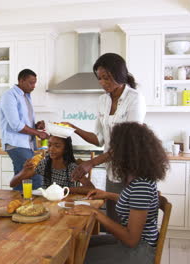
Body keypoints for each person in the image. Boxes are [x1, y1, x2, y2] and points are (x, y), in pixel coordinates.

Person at [66, 122, 169, 264]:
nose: (112, 154)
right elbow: (135, 203)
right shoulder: (138, 177)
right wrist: (107, 195)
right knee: (76, 244)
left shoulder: (141, 185)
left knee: (75, 257)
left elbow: (131, 239)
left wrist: (95, 213)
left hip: (140, 251)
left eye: (116, 149)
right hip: (134, 244)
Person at [66, 53, 146, 221]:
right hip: (112, 169)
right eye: (100, 78)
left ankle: (125, 247)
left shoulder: (135, 99)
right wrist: (73, 129)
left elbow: (126, 144)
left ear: (120, 75)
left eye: (107, 78)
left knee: (129, 218)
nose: (103, 83)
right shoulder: (103, 100)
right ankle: (112, 245)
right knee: (113, 217)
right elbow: (99, 139)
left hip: (132, 169)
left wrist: (91, 163)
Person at [0, 69, 48, 191]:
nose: (34, 86)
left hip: (26, 145)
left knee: (23, 178)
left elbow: (23, 123)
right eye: (31, 83)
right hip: (16, 144)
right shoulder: (9, 96)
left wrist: (36, 126)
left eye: (35, 83)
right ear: (21, 80)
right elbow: (16, 125)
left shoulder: (25, 96)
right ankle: (31, 206)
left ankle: (20, 206)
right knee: (33, 176)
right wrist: (38, 133)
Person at [9, 136, 95, 193]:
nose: (51, 149)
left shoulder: (71, 168)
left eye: (57, 146)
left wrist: (64, 190)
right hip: (47, 204)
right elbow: (13, 184)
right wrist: (24, 171)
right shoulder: (44, 164)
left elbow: (90, 188)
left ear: (65, 149)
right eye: (49, 145)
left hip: (66, 204)